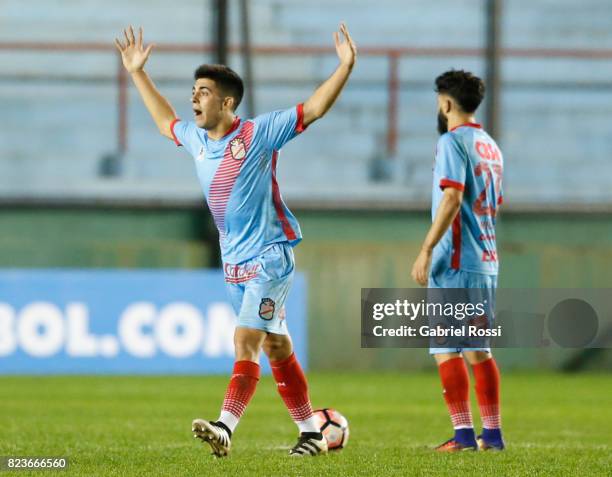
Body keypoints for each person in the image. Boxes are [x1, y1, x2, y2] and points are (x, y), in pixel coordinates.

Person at [114, 23, 355, 457]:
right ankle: (312, 431)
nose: (194, 98)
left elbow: (313, 109)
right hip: (235, 266)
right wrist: (137, 73)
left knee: (246, 340)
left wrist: (345, 66)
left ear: (227, 102)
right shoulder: (198, 141)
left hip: (270, 257)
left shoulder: (258, 134)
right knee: (277, 345)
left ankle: (225, 425)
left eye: (203, 91)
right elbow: (164, 120)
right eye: (193, 90)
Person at [410, 70, 505, 452]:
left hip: (455, 260)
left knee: (446, 349)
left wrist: (427, 248)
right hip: (485, 259)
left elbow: (451, 199)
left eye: (439, 101)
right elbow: (494, 205)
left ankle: (464, 436)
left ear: (446, 102)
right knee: (479, 349)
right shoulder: (491, 147)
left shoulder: (452, 141)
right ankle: (492, 436)